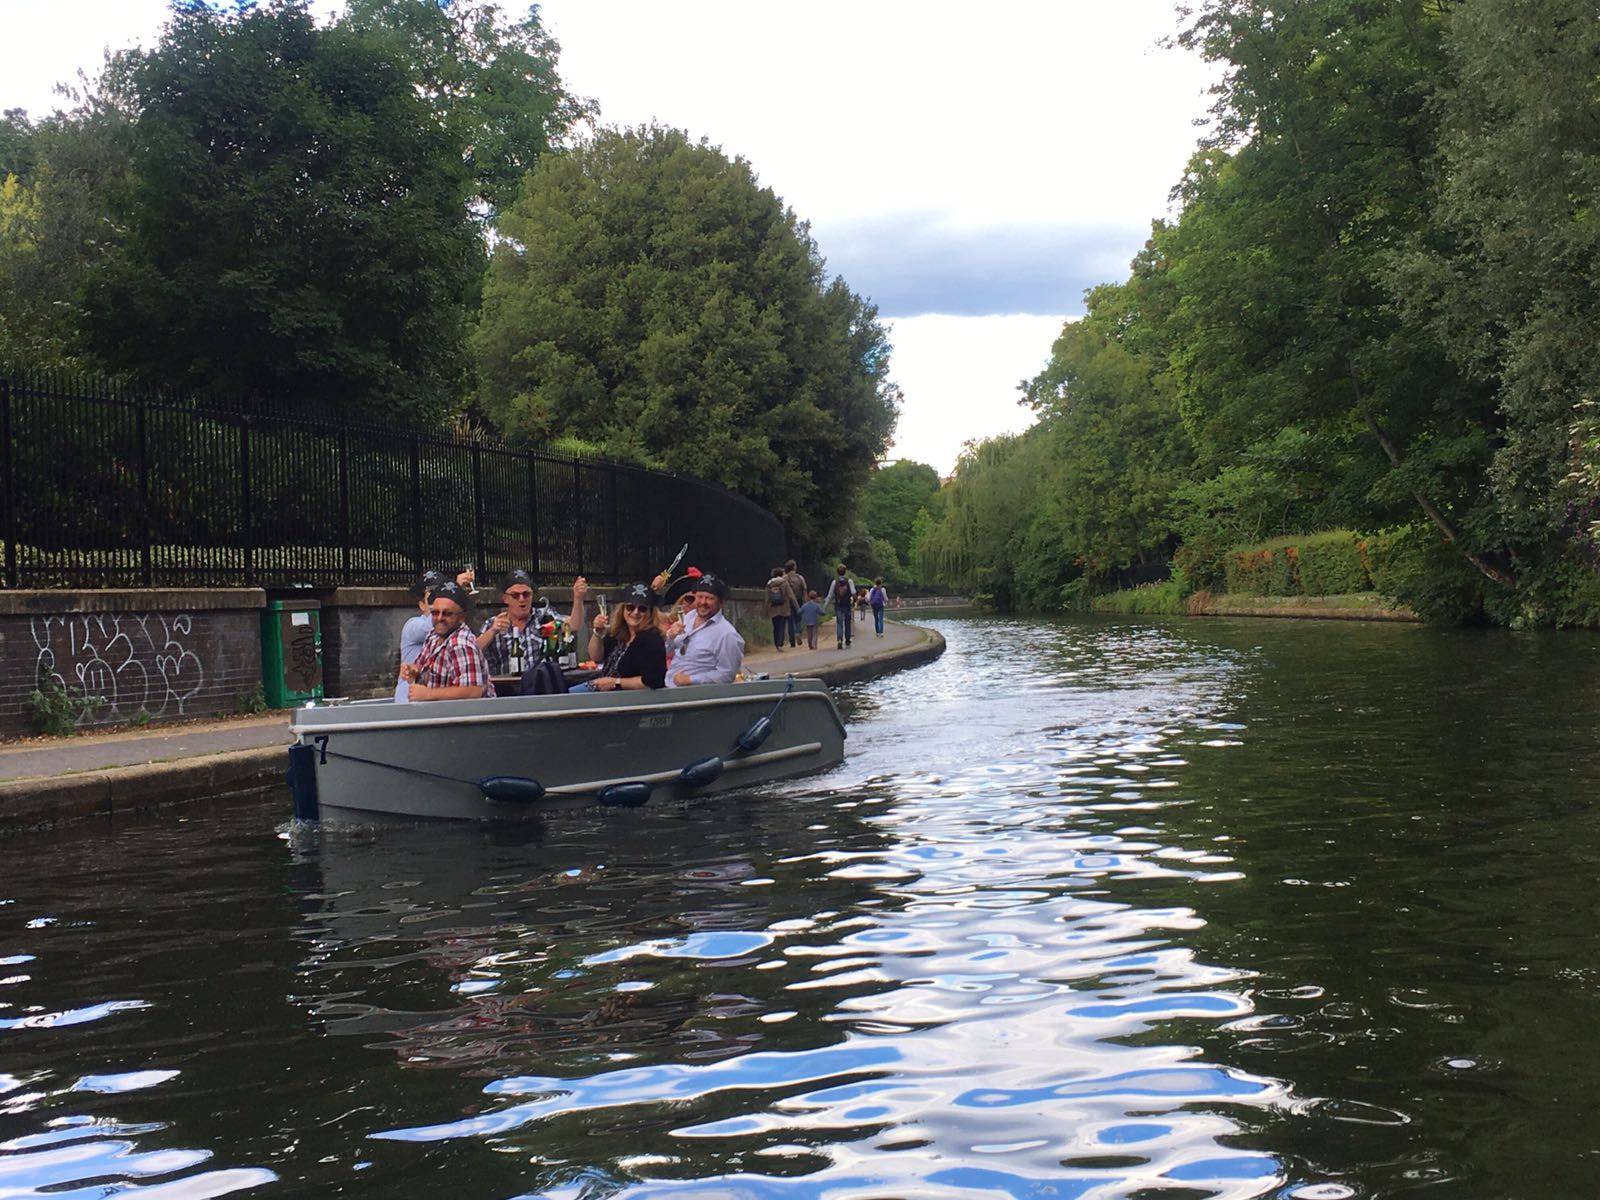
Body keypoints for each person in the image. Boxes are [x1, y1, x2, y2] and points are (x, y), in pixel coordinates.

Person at [397, 581, 495, 701]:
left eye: (447, 614)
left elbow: (473, 690)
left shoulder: (461, 644)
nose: (439, 618)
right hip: (438, 715)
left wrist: (428, 694)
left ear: (462, 617)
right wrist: (412, 670)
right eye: (435, 612)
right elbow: (420, 666)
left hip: (464, 717)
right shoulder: (433, 636)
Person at [479, 571, 587, 676]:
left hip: (540, 685)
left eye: (526, 594)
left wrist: (578, 599)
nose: (522, 599)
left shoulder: (544, 616)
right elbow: (471, 650)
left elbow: (573, 624)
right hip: (508, 687)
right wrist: (492, 632)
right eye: (515, 595)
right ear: (505, 599)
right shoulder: (493, 623)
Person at [572, 582, 667, 692]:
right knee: (560, 690)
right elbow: (596, 657)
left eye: (642, 609)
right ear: (623, 610)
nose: (635, 612)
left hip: (625, 699)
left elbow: (653, 682)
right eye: (630, 607)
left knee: (565, 698)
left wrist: (615, 682)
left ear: (650, 613)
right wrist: (597, 633)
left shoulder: (652, 639)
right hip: (603, 691)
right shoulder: (619, 633)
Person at [663, 573, 744, 687]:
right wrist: (670, 637)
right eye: (700, 597)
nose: (703, 602)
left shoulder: (727, 634)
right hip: (669, 689)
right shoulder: (689, 617)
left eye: (709, 598)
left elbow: (727, 675)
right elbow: (666, 651)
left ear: (721, 602)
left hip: (696, 697)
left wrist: (691, 680)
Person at [765, 566, 798, 651]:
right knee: (782, 626)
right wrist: (797, 607)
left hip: (773, 609)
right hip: (783, 608)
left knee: (775, 626)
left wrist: (766, 609)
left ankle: (776, 644)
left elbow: (767, 598)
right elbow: (791, 596)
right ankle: (780, 644)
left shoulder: (769, 584)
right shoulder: (784, 583)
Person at [829, 564, 857, 649]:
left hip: (838, 605)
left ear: (837, 572)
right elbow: (853, 592)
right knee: (847, 622)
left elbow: (830, 595)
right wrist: (855, 601)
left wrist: (825, 606)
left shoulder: (834, 582)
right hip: (847, 604)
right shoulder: (849, 581)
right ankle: (847, 639)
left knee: (839, 622)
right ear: (845, 572)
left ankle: (839, 639)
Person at [783, 559, 807, 648]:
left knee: (790, 620)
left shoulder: (785, 578)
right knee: (798, 619)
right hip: (799, 600)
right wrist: (805, 601)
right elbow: (804, 589)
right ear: (794, 567)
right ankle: (798, 633)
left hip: (788, 601)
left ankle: (792, 640)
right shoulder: (800, 577)